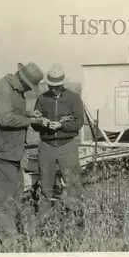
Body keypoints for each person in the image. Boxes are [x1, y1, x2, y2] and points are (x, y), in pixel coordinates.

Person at [0, 62, 45, 238]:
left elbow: (12, 111)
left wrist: (30, 114)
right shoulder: (3, 89)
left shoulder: (15, 91)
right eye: (28, 87)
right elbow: (6, 119)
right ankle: (9, 240)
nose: (28, 90)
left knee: (15, 195)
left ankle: (13, 235)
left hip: (10, 153)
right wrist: (32, 121)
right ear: (22, 80)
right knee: (1, 199)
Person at [31, 63, 84, 215]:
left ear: (63, 84)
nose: (54, 89)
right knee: (45, 183)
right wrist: (43, 123)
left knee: (72, 183)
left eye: (57, 86)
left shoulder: (73, 98)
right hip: (46, 146)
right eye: (51, 86)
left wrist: (61, 126)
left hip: (67, 146)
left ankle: (75, 218)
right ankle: (43, 219)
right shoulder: (42, 99)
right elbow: (35, 124)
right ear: (48, 84)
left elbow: (78, 123)